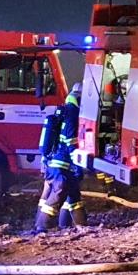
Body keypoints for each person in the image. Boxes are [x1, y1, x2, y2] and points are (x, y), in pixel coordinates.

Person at [34, 83, 86, 233]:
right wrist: (78, 164)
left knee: (73, 195)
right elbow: (70, 140)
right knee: (58, 191)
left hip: (56, 161)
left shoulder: (65, 109)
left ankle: (82, 227)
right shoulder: (72, 112)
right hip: (61, 164)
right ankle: (42, 227)